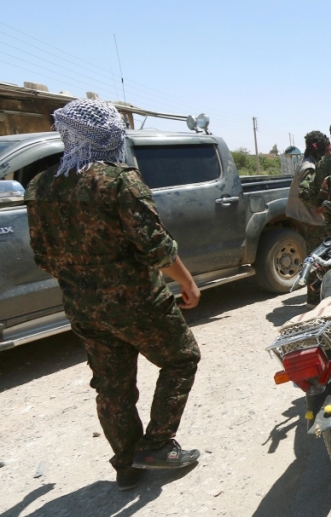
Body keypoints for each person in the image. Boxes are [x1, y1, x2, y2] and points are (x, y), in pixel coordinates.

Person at [24, 99, 202, 491]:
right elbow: (155, 248)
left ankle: (126, 464)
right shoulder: (120, 180)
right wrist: (187, 282)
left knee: (112, 385)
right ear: (107, 133)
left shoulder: (40, 186)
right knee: (182, 358)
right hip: (138, 302)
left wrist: (82, 280)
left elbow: (42, 255)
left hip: (83, 307)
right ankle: (156, 445)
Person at [287, 131, 330, 303]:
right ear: (317, 147)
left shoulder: (309, 163)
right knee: (317, 259)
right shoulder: (310, 167)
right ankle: (314, 299)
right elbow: (305, 193)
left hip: (309, 219)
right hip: (312, 220)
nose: (328, 152)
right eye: (326, 149)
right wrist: (320, 207)